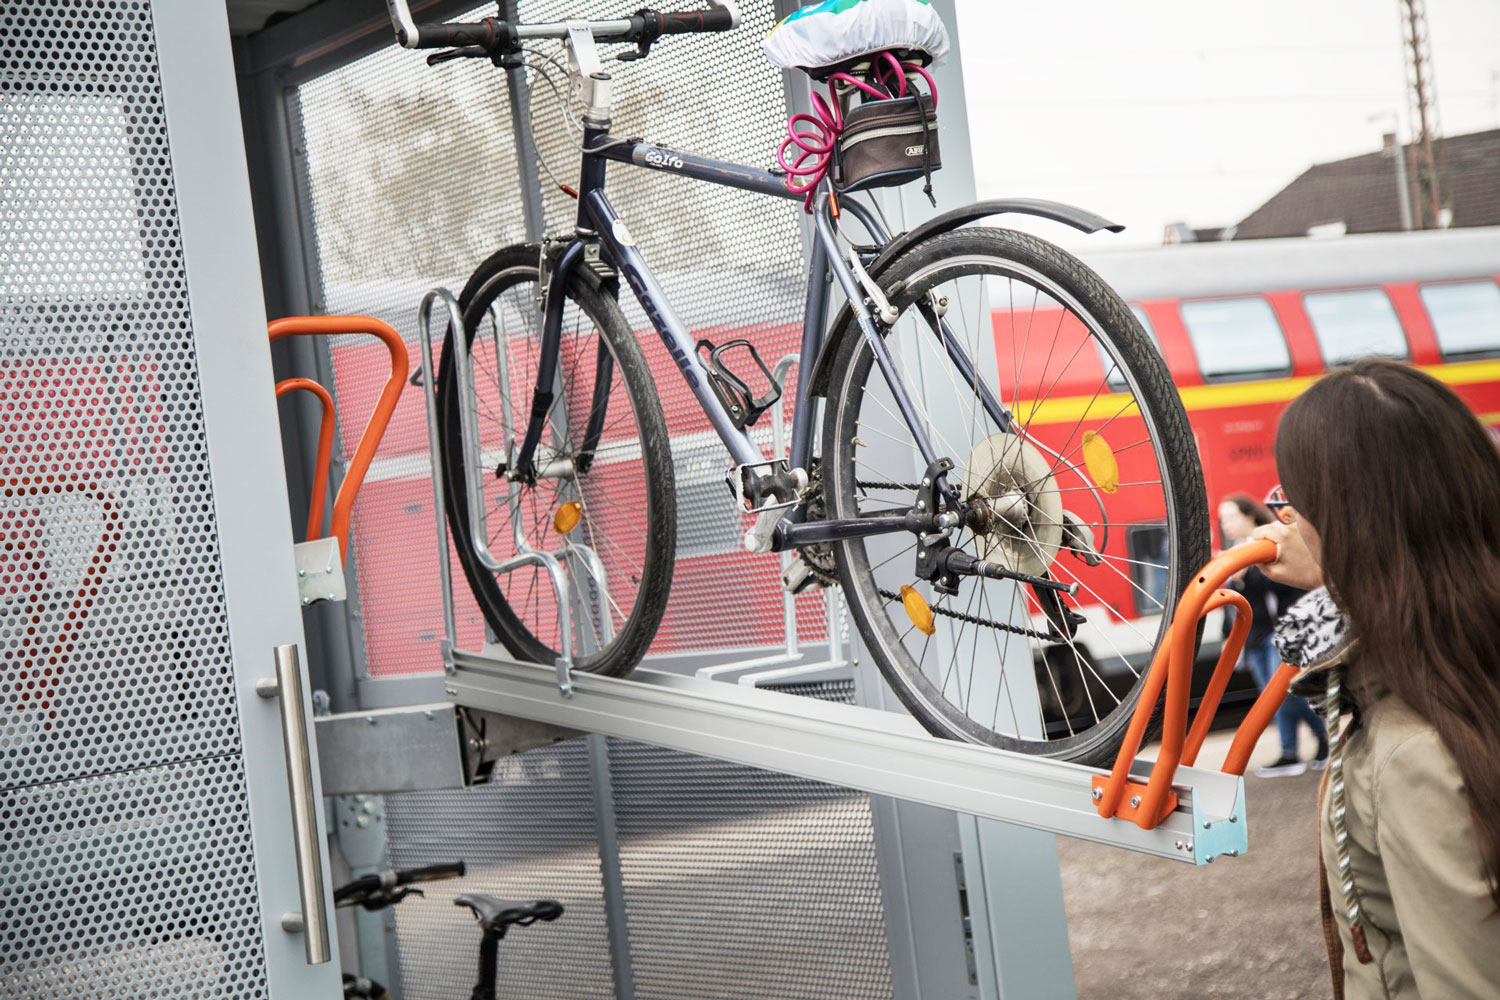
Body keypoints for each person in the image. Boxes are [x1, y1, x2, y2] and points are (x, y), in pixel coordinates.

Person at [1252, 357, 1500, 998]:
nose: (1282, 520)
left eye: (1291, 503)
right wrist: (1338, 575)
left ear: (1351, 529)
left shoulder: (1415, 755)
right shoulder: (1464, 660)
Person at [1218, 493, 1326, 776]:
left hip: (1274, 633)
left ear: (1249, 517)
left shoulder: (1265, 544)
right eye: (1223, 520)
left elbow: (1284, 584)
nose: (1226, 525)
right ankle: (1310, 745)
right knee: (1275, 697)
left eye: (1231, 518)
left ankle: (1300, 748)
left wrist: (1245, 576)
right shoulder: (1236, 550)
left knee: (1278, 696)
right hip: (1252, 637)